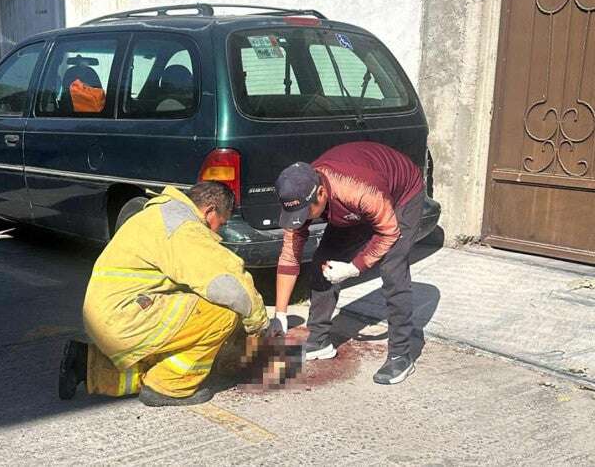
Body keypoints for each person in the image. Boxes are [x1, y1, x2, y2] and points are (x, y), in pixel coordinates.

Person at [59, 181, 269, 406]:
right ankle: (169, 387)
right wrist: (258, 326)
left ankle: (86, 364)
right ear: (210, 210)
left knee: (180, 334)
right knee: (221, 315)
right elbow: (230, 285)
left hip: (104, 317)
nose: (219, 230)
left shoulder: (159, 214)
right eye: (222, 222)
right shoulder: (183, 229)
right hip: (125, 318)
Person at [269, 141, 425, 385]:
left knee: (392, 269)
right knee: (323, 262)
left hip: (401, 196)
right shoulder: (301, 192)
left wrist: (355, 267)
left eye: (305, 213)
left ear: (321, 193)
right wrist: (280, 314)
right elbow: (289, 256)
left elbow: (388, 232)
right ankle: (319, 339)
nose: (301, 220)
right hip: (358, 206)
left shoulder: (356, 189)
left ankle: (401, 353)